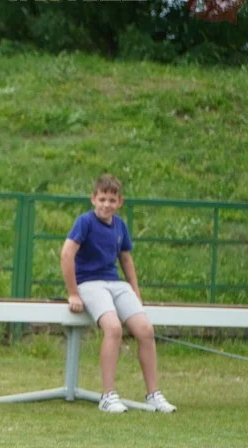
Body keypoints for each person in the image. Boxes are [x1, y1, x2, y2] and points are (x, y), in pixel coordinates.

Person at [60, 174, 175, 414]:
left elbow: (125, 258)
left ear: (119, 202)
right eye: (102, 199)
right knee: (113, 328)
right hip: (90, 283)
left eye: (112, 200)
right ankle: (108, 395)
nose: (106, 205)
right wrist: (73, 293)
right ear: (93, 199)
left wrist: (135, 289)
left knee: (145, 330)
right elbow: (67, 254)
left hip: (115, 283)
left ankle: (154, 394)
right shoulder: (85, 222)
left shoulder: (120, 225)